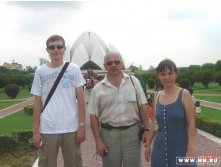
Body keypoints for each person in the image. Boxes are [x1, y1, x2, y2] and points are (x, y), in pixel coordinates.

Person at [31, 35, 86, 167]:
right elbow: (37, 102)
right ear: (47, 50)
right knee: (47, 164)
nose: (56, 50)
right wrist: (35, 132)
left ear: (64, 48)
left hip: (70, 127)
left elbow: (81, 98)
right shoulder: (40, 71)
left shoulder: (74, 69)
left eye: (59, 46)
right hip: (48, 128)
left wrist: (82, 126)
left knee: (74, 163)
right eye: (52, 47)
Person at [88, 51, 149, 167]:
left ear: (121, 64)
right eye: (109, 63)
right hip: (109, 136)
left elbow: (143, 106)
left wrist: (146, 129)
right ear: (105, 66)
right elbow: (93, 116)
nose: (113, 65)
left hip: (132, 134)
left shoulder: (133, 81)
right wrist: (98, 141)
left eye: (116, 62)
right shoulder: (98, 89)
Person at [144, 59, 196, 167]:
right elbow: (154, 123)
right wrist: (148, 145)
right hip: (159, 149)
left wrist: (191, 150)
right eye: (163, 74)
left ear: (176, 74)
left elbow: (191, 123)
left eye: (170, 73)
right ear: (158, 75)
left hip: (181, 147)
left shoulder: (184, 94)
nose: (167, 77)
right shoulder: (157, 95)